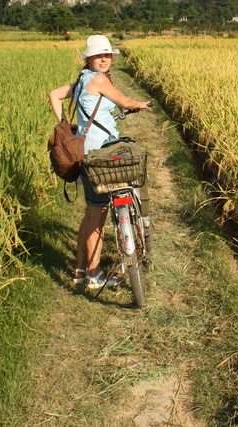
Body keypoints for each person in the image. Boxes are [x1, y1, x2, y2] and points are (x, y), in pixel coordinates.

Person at [48, 34, 151, 288]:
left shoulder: (82, 80)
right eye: (99, 56)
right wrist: (139, 104)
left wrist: (66, 125)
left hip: (84, 152)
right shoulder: (98, 79)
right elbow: (124, 101)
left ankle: (81, 269)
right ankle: (94, 275)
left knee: (91, 213)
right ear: (89, 59)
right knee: (98, 216)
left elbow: (54, 94)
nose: (104, 59)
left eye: (107, 55)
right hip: (100, 156)